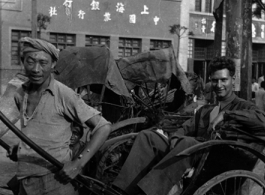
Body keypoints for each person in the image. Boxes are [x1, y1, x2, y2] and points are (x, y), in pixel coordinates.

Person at [113, 56, 265, 195]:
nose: (219, 85)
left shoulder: (244, 106)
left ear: (233, 79)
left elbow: (262, 120)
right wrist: (175, 138)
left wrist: (227, 115)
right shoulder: (206, 110)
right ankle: (122, 190)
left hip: (219, 161)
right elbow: (185, 129)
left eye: (224, 80)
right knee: (148, 137)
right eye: (215, 80)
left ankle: (145, 193)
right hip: (192, 154)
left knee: (188, 143)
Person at [6, 37, 112, 195]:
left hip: (55, 181)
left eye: (43, 63)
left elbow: (103, 127)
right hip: (25, 180)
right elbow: (36, 129)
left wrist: (78, 163)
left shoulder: (64, 94)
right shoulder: (20, 93)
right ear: (23, 61)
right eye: (30, 61)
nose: (36, 69)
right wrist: (22, 149)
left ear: (53, 65)